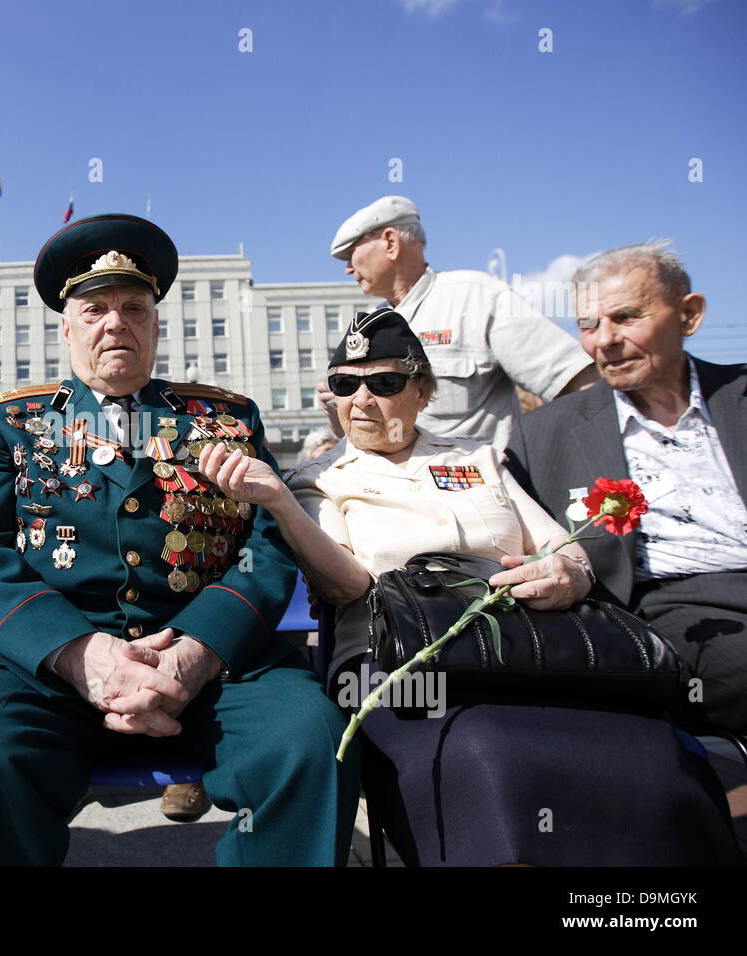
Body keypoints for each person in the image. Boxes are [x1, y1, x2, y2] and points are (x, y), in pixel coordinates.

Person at [201, 306, 742, 865]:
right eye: (345, 384)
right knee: (491, 754)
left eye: (384, 383)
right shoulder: (317, 480)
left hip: (534, 655)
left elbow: (561, 545)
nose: (360, 400)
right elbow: (346, 587)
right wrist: (282, 505)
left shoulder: (479, 460)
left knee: (651, 756)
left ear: (423, 391)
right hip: (405, 667)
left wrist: (568, 572)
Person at [0, 213, 360, 866]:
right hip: (46, 661)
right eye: (94, 309)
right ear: (66, 329)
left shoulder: (225, 418)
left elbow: (264, 547)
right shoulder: (7, 424)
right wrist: (77, 653)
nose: (114, 323)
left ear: (156, 324)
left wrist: (196, 653)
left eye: (133, 307)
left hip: (209, 656)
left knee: (313, 743)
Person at [505, 243, 747, 735]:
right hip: (676, 608)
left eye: (626, 317)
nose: (604, 341)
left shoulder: (738, 396)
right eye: (589, 325)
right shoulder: (542, 434)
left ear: (690, 315)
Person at [319, 195, 597, 451]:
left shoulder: (476, 296)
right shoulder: (368, 324)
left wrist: (555, 462)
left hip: (478, 490)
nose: (347, 269)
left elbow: (576, 382)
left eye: (351, 253)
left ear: (390, 243)